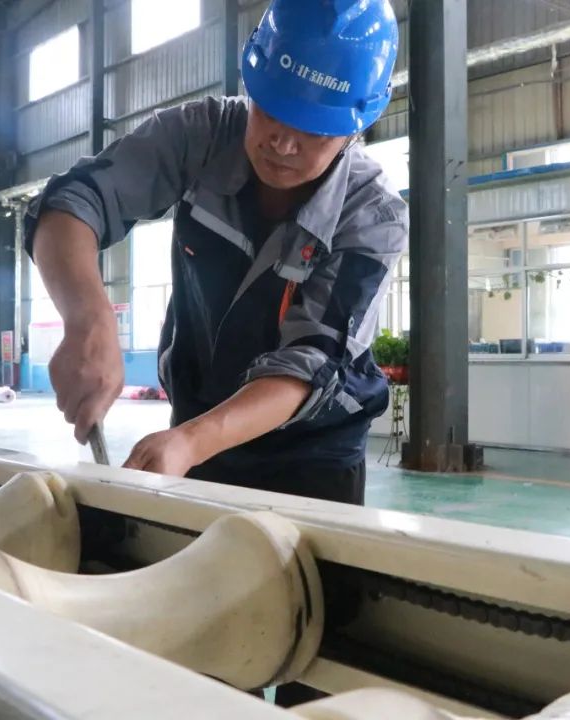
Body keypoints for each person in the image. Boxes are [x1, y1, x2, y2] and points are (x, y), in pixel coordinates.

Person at [25, 0, 405, 509]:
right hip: (196, 421)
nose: (282, 143)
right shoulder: (200, 136)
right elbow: (73, 201)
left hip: (310, 457)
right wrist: (87, 320)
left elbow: (313, 361)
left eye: (314, 129)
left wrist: (192, 442)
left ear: (356, 127)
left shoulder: (372, 216)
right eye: (270, 110)